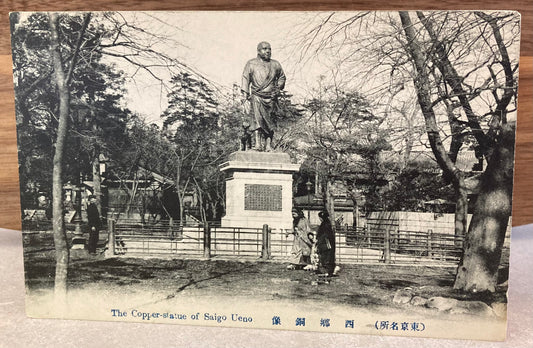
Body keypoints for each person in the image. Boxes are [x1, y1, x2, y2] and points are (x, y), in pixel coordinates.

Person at [241, 41, 286, 151]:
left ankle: (268, 145)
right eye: (265, 49)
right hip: (257, 96)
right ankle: (257, 144)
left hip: (271, 98)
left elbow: (282, 77)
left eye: (269, 49)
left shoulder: (275, 64)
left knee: (270, 122)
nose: (268, 51)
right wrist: (244, 95)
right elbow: (245, 78)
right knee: (257, 121)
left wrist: (278, 87)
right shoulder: (251, 63)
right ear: (258, 51)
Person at [316, 211, 337, 276]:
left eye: (320, 217)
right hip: (327, 242)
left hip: (326, 243)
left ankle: (326, 271)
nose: (319, 219)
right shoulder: (326, 223)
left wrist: (318, 240)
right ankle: (327, 270)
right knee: (327, 257)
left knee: (326, 257)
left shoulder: (325, 225)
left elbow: (324, 235)